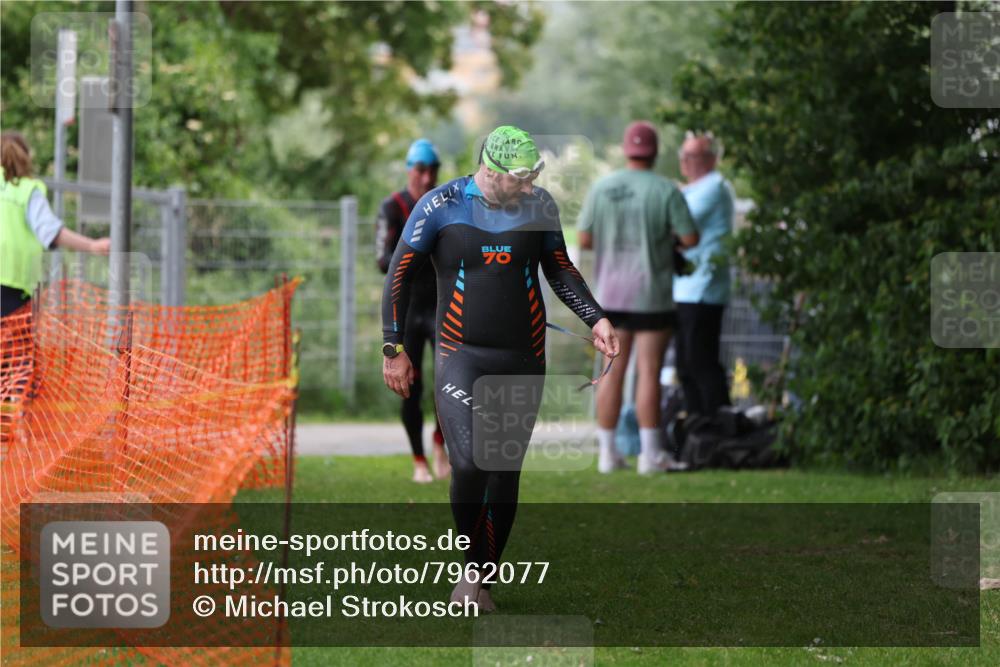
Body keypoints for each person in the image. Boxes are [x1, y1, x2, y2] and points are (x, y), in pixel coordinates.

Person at [381, 126, 618, 612]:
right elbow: (398, 275)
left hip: (523, 356)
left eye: (535, 177)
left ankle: (479, 581)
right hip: (460, 354)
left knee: (504, 471)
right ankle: (471, 567)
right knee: (469, 463)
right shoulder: (440, 205)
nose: (530, 187)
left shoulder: (539, 206)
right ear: (490, 170)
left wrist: (596, 318)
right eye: (521, 178)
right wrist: (394, 347)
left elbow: (560, 268)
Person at [577, 121, 699, 475]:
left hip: (610, 297)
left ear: (626, 149)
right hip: (652, 296)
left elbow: (584, 239)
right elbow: (690, 238)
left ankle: (607, 455)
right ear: (655, 151)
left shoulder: (602, 187)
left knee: (610, 372)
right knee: (649, 373)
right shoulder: (666, 190)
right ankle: (649, 456)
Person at [376, 139, 449, 483]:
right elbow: (382, 261)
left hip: (440, 307)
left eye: (432, 170)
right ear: (409, 170)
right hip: (407, 311)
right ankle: (419, 460)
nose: (427, 177)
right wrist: (416, 255)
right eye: (421, 170)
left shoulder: (443, 204)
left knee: (449, 382)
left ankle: (440, 443)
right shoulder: (393, 207)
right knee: (411, 386)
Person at [1, 131, 110, 318]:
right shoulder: (27, 190)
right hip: (13, 287)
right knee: (14, 346)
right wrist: (92, 245)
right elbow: (51, 231)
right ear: (25, 158)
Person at [673, 132, 734, 418]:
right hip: (686, 289)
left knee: (700, 363)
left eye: (692, 156)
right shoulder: (694, 189)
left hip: (702, 289)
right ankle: (699, 431)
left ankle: (718, 427)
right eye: (683, 155)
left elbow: (679, 224)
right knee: (686, 365)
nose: (685, 162)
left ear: (712, 160)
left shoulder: (714, 187)